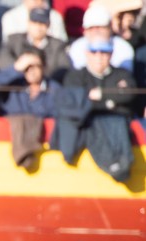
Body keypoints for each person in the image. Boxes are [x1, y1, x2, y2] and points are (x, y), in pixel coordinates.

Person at [56, 37, 137, 181]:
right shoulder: (76, 76)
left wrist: (100, 95)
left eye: (104, 52)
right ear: (87, 54)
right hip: (89, 128)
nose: (99, 56)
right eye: (94, 52)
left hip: (116, 124)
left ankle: (120, 165)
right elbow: (76, 105)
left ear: (111, 54)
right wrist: (111, 101)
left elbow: (129, 96)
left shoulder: (122, 74)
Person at [0, 46, 57, 166]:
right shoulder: (12, 83)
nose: (31, 71)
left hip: (43, 152)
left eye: (35, 66)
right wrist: (15, 69)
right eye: (27, 67)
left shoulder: (54, 89)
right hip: (4, 150)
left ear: (43, 67)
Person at [0, 6, 71, 80]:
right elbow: (2, 60)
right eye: (34, 23)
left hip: (47, 86)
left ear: (48, 25)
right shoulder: (14, 40)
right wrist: (19, 68)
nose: (38, 27)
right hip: (17, 84)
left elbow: (64, 68)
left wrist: (38, 75)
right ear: (28, 23)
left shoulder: (57, 45)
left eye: (42, 24)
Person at [67, 4, 135, 72]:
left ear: (110, 28)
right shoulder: (76, 48)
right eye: (91, 28)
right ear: (85, 31)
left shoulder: (123, 48)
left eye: (101, 27)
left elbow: (124, 77)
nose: (96, 31)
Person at [0, 0, 67, 42]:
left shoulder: (55, 17)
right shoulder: (10, 17)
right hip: (21, 61)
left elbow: (61, 43)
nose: (35, 1)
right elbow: (9, 46)